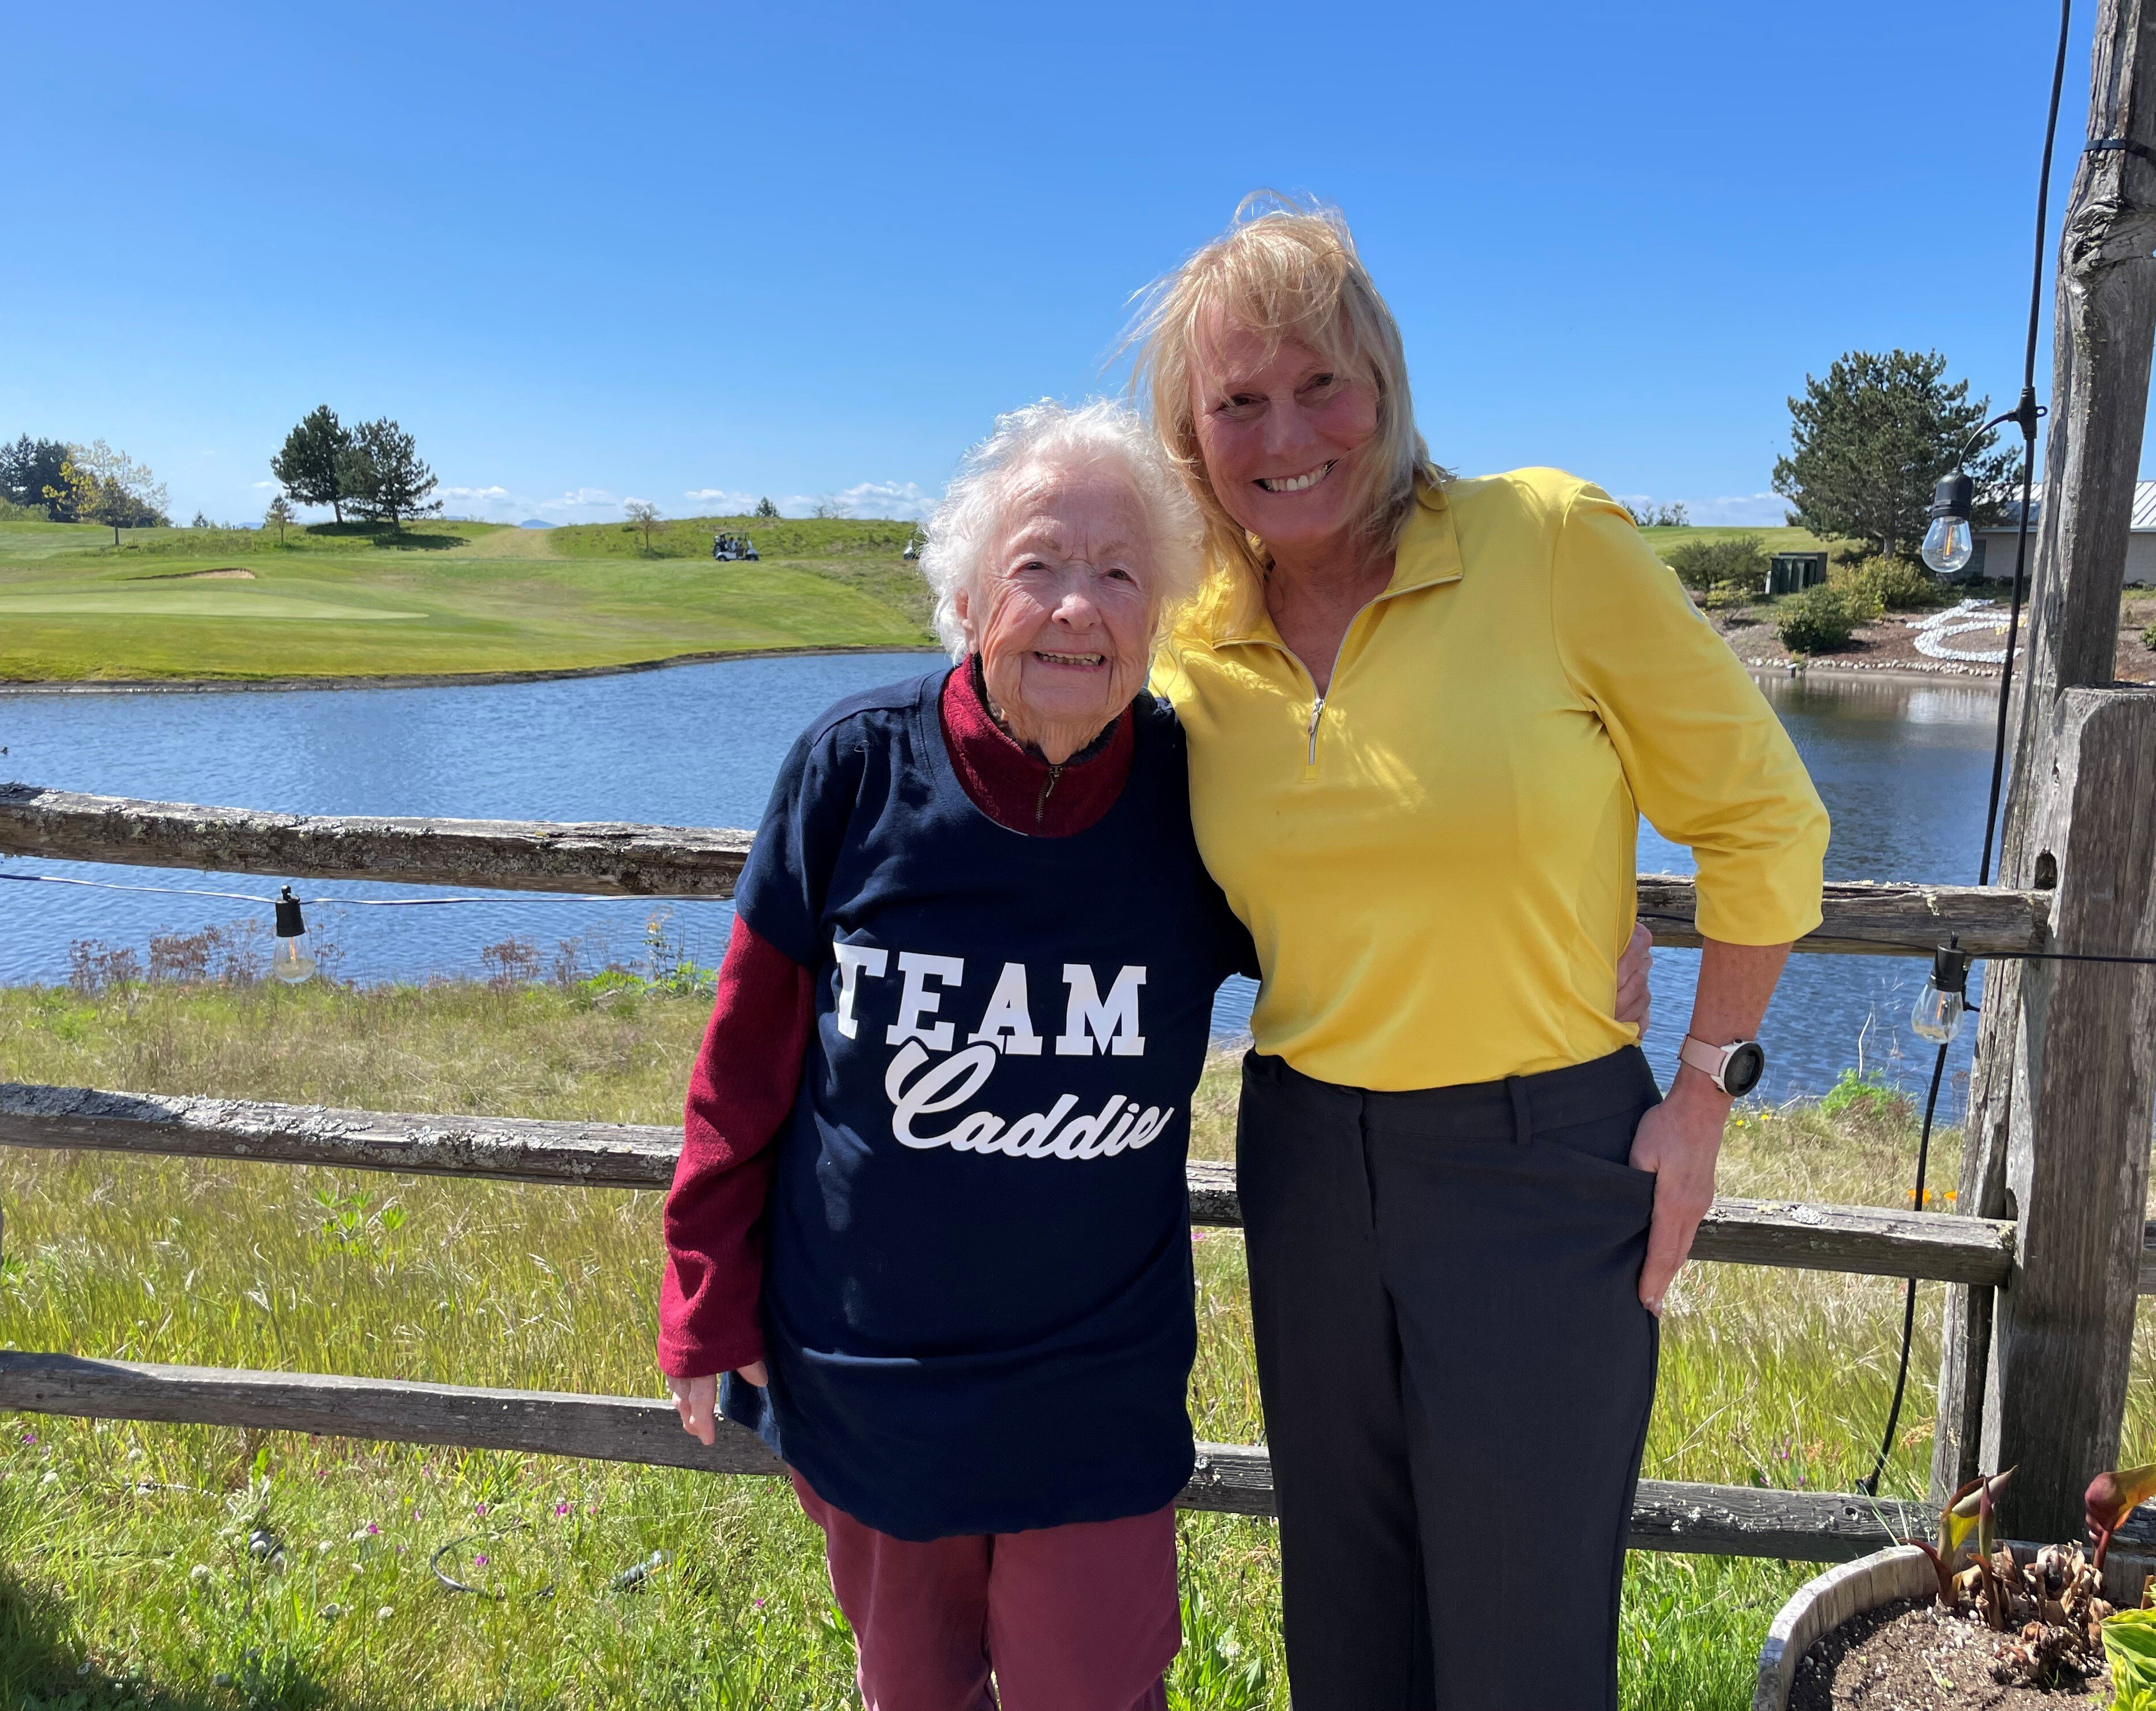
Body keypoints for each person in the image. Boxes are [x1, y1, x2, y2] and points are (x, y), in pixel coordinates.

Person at [656, 398, 1657, 1711]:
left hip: (1095, 1387)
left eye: (1120, 575)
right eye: (1038, 569)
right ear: (967, 596)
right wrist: (702, 1296)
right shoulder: (851, 775)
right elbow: (743, 1064)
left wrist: (1585, 889)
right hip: (873, 1377)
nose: (1078, 609)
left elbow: (1371, 875)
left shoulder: (1194, 795)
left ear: (1163, 617)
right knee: (911, 1691)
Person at [1137, 200, 1829, 1711]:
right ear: (1189, 435)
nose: (1287, 430)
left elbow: (1766, 823)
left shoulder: (1546, 542)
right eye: (1237, 400)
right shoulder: (1180, 632)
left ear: (1384, 382)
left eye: (1320, 381)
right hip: (1308, 1154)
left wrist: (1703, 1096)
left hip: (1544, 1160)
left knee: (1522, 1643)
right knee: (1346, 1620)